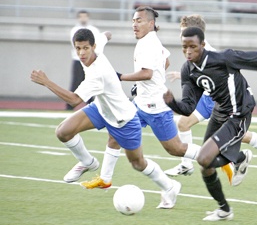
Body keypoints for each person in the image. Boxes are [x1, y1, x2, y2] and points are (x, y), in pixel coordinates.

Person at [163, 26, 257, 221]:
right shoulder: (188, 70)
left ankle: (238, 160)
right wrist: (172, 103)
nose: (188, 51)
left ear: (203, 45)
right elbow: (188, 107)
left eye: (193, 46)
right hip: (220, 112)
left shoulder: (223, 59)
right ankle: (224, 209)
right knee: (205, 165)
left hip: (239, 113)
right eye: (184, 47)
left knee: (204, 158)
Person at [30, 28, 180, 209]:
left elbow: (74, 100)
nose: (82, 53)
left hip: (124, 120)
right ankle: (87, 162)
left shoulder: (97, 74)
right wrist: (106, 35)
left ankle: (170, 186)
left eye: (86, 48)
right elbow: (106, 36)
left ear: (93, 47)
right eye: (78, 48)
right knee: (63, 132)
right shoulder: (97, 46)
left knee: (138, 163)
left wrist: (46, 81)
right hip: (101, 110)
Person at [81, 6, 204, 192]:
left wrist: (120, 77)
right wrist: (149, 81)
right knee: (116, 132)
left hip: (156, 107)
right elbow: (166, 61)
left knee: (175, 148)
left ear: (151, 23)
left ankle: (214, 156)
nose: (134, 24)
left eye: (139, 21)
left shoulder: (150, 44)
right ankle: (105, 179)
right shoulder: (149, 41)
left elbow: (147, 73)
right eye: (133, 21)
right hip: (139, 103)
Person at [164, 14, 257, 182]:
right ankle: (188, 164)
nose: (181, 36)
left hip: (218, 101)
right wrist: (182, 76)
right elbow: (200, 74)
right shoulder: (193, 49)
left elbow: (217, 73)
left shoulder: (208, 52)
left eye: (183, 32)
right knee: (184, 123)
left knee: (238, 136)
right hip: (207, 99)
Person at [66, 10, 112, 110]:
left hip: (92, 62)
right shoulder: (74, 30)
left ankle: (92, 105)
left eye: (85, 16)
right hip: (78, 61)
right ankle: (69, 107)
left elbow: (107, 35)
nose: (83, 18)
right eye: (81, 16)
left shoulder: (94, 31)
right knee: (76, 83)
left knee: (92, 83)